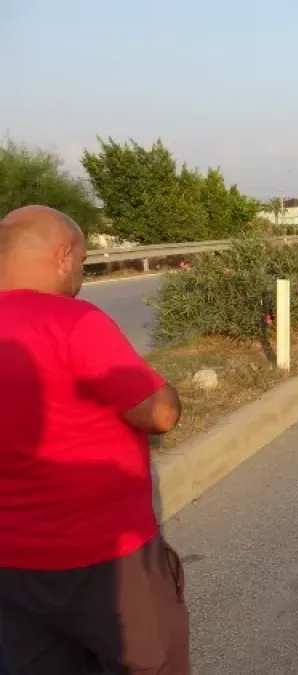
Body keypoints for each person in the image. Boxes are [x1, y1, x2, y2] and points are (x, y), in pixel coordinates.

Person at [0, 205, 191, 674]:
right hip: (106, 557)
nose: (80, 277)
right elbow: (159, 414)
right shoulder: (73, 321)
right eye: (83, 264)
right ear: (63, 256)